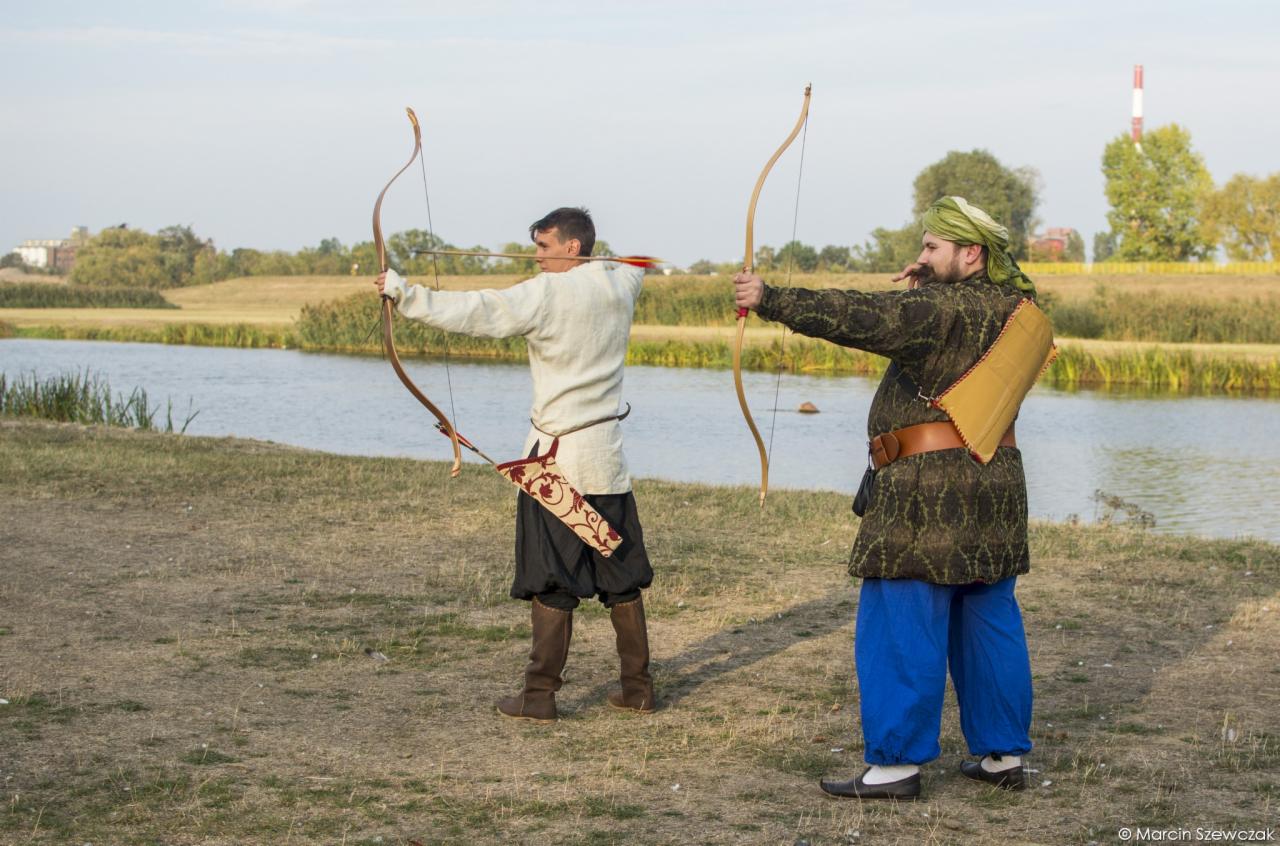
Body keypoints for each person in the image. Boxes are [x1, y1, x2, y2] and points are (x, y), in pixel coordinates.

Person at [733, 196, 1039, 800]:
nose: (918, 257)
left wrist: (768, 298)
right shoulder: (1021, 308)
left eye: (931, 247)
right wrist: (932, 277)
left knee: (902, 623)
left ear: (970, 253)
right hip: (996, 488)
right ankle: (1002, 755)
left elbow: (860, 315)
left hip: (926, 495)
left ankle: (895, 765)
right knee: (989, 619)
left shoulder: (936, 312)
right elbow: (945, 323)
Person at [376, 207, 656, 722]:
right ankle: (637, 688)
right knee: (620, 574)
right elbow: (636, 267)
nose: (537, 257)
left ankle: (539, 696)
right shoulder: (622, 285)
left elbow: (476, 311)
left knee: (552, 579)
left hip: (556, 468)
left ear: (573, 248)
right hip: (606, 461)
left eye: (545, 246)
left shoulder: (546, 293)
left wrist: (402, 292)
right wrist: (634, 262)